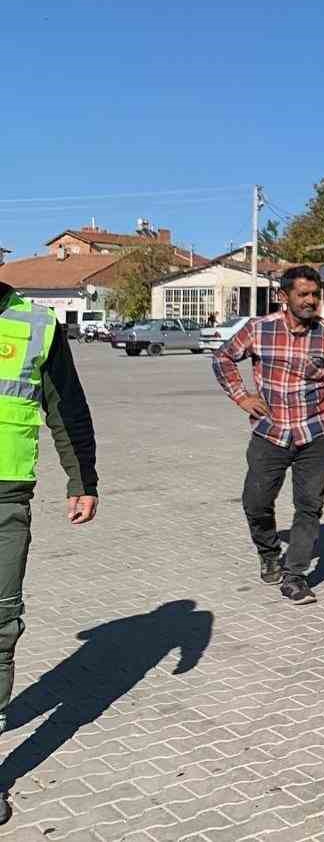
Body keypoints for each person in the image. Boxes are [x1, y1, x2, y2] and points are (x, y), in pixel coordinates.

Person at [0, 281, 99, 825]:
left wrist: (82, 478)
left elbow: (66, 407)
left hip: (5, 497)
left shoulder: (37, 324)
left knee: (0, 625)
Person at [213, 265, 324, 607]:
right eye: (303, 294)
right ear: (283, 296)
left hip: (315, 432)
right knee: (256, 501)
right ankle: (269, 551)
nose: (310, 301)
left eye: (315, 295)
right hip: (270, 432)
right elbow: (223, 359)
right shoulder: (258, 330)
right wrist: (242, 396)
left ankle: (296, 576)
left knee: (309, 505)